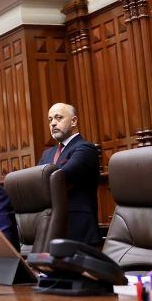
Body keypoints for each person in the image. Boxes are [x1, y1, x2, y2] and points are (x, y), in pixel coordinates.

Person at [40, 103, 102, 245]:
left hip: (78, 231)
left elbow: (60, 177)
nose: (53, 123)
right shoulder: (47, 154)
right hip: (51, 227)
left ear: (74, 121)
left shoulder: (85, 148)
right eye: (50, 120)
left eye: (58, 118)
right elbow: (37, 181)